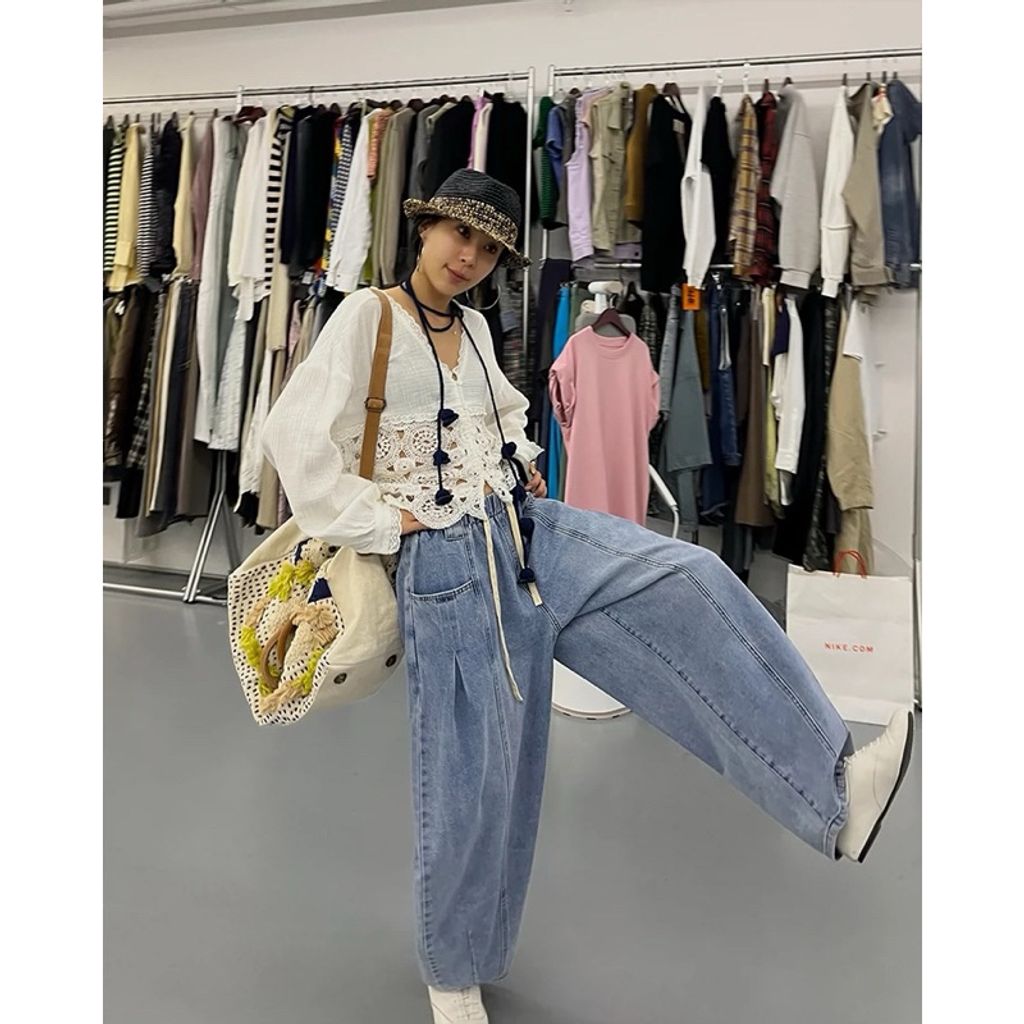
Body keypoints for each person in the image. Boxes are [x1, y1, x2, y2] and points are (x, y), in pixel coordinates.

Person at [260, 168, 915, 1024]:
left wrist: (522, 456)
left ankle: (834, 793)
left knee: (689, 574)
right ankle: (454, 968)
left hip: (524, 525)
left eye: (489, 247)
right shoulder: (366, 316)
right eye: (460, 234)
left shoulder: (476, 328)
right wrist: (387, 520)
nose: (469, 256)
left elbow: (500, 413)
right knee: (478, 772)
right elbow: (292, 435)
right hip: (445, 564)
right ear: (424, 229)